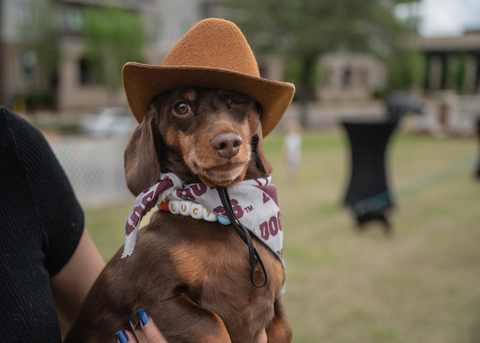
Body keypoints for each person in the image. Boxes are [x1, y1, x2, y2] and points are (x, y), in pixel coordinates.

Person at [0, 106, 268, 343]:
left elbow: (104, 304)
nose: (227, 136)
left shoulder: (15, 148)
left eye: (236, 102)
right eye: (184, 107)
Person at [283, 119, 302, 184]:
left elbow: (295, 147)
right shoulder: (287, 137)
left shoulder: (296, 137)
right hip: (289, 156)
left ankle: (295, 179)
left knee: (295, 168)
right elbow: (286, 147)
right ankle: (290, 179)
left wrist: (293, 154)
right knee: (289, 168)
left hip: (295, 156)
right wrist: (286, 155)